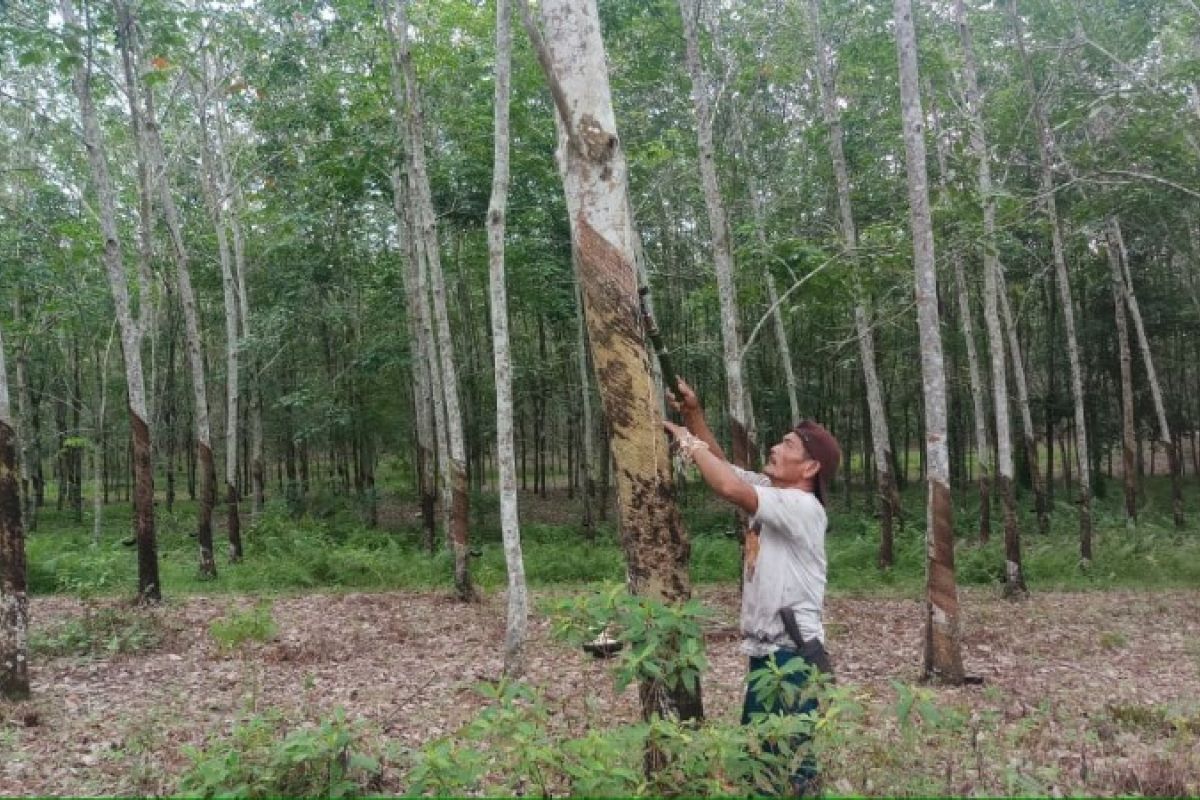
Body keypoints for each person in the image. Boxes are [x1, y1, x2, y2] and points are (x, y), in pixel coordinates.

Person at [662, 377, 840, 797]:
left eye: (788, 446)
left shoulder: (801, 507)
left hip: (792, 658)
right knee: (761, 762)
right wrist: (694, 414)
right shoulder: (774, 494)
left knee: (783, 772)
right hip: (769, 653)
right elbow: (727, 471)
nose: (775, 449)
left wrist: (686, 442)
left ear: (810, 468)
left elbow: (726, 485)